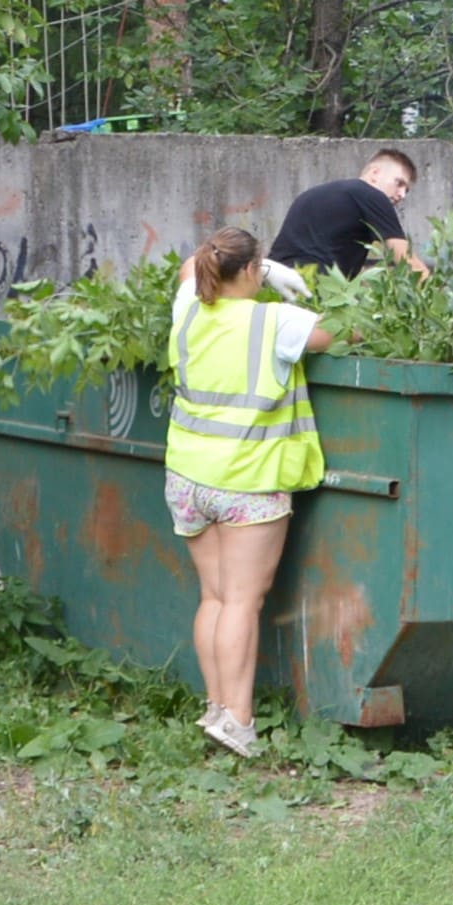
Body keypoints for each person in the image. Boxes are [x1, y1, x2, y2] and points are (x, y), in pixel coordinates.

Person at [166, 227, 332, 757]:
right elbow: (337, 334)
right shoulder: (275, 321)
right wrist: (295, 285)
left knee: (214, 596)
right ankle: (238, 719)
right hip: (248, 481)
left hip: (189, 477)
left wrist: (262, 268)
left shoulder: (188, 310)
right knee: (242, 600)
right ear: (250, 271)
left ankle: (217, 708)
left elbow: (189, 272)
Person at [270, 149, 432, 279]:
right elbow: (407, 261)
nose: (402, 195)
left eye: (406, 190)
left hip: (274, 281)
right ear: (375, 173)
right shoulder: (372, 196)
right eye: (399, 183)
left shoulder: (312, 194)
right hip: (312, 287)